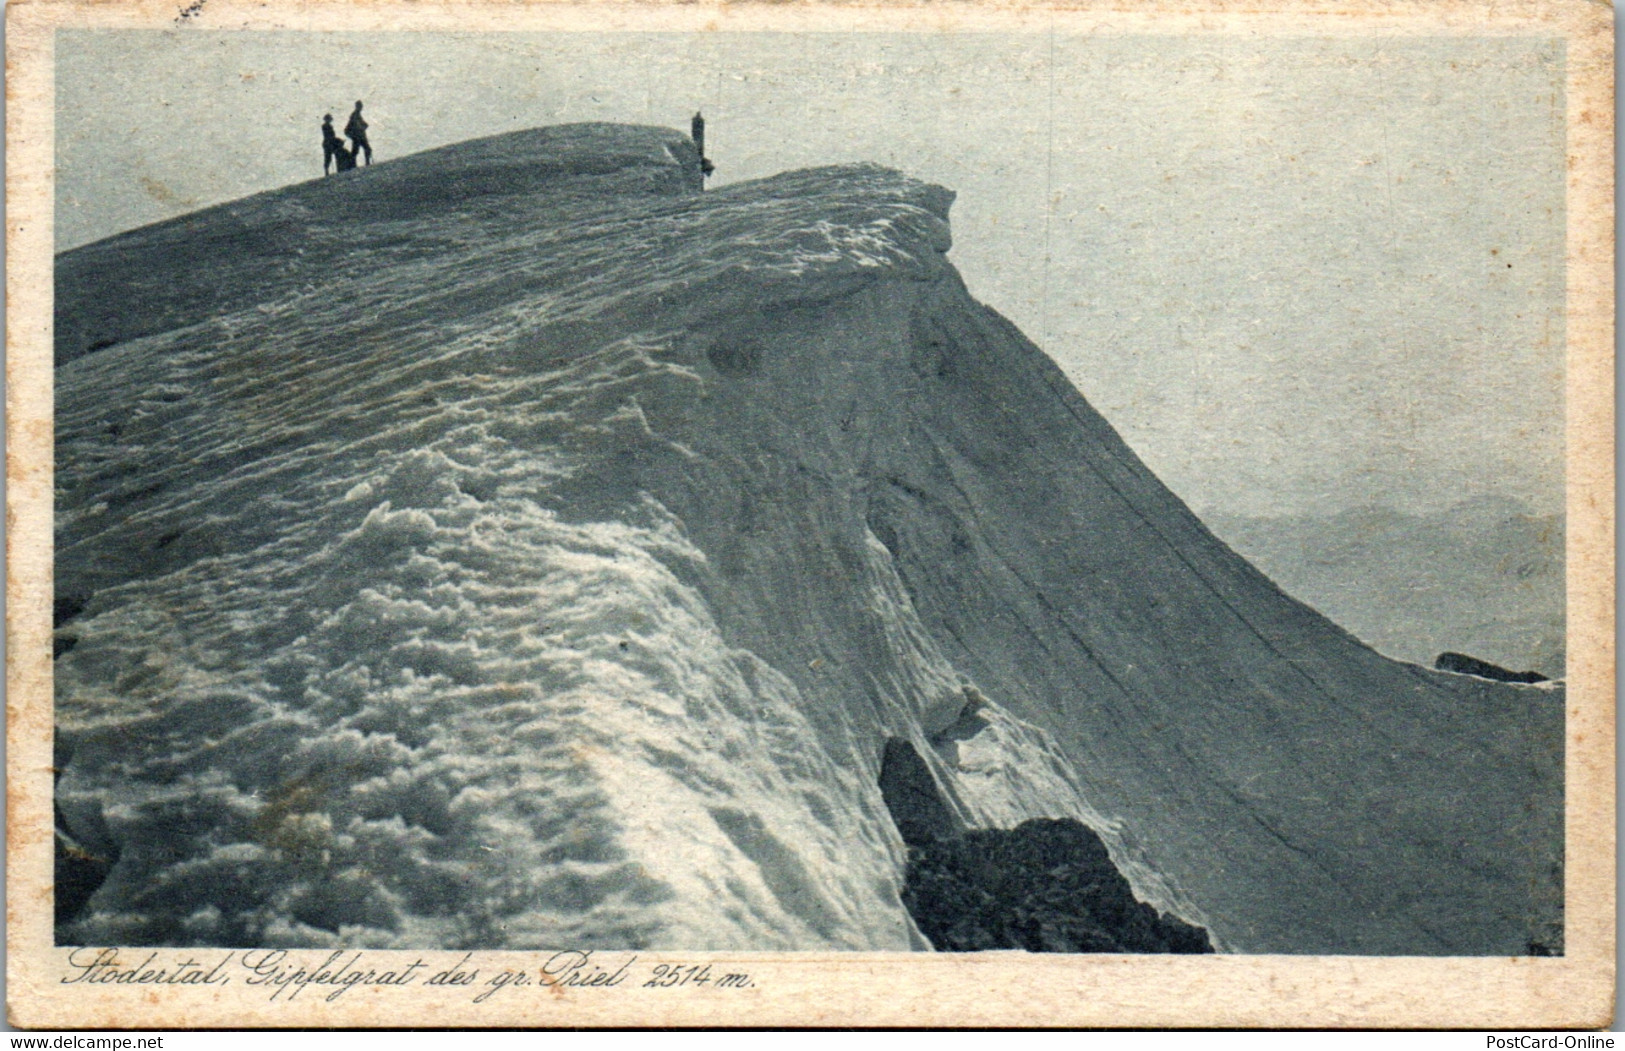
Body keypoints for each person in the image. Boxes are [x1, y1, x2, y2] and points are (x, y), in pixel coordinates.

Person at [345, 101, 372, 166]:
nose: (361, 107)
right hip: (357, 136)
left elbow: (362, 124)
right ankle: (353, 164)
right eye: (360, 106)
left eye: (361, 106)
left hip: (359, 136)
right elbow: (355, 125)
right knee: (356, 151)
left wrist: (364, 126)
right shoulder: (355, 115)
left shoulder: (357, 114)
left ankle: (366, 163)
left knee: (365, 149)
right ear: (357, 106)